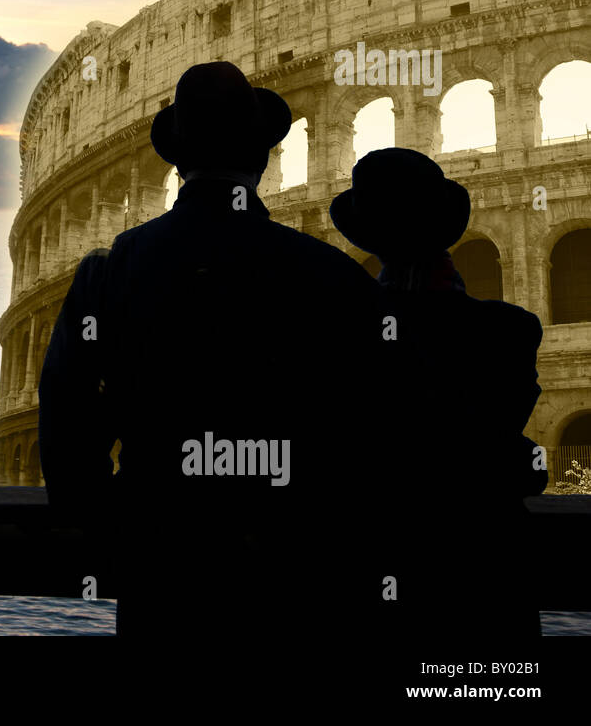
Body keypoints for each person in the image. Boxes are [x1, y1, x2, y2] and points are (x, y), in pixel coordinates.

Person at [38, 61, 381, 642]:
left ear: (175, 162)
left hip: (161, 553)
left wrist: (99, 520)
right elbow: (374, 420)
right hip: (293, 556)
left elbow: (67, 408)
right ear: (263, 159)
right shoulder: (329, 274)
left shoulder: (111, 269)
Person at [330, 147, 547, 640]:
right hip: (481, 570)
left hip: (371, 559)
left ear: (370, 240)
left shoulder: (337, 337)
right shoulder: (511, 332)